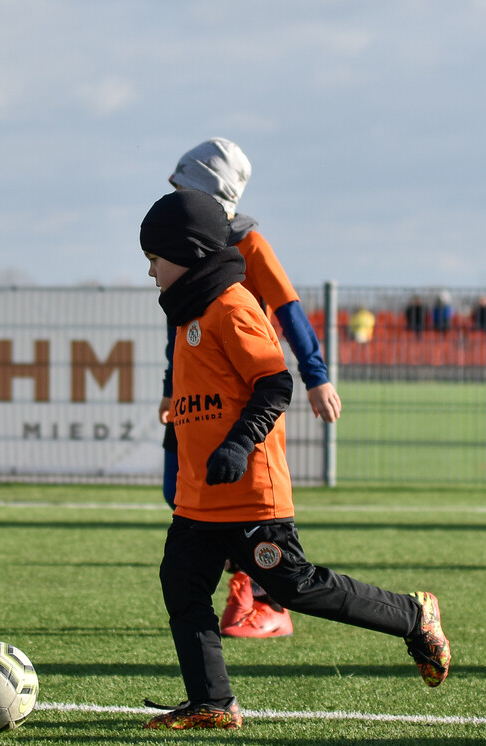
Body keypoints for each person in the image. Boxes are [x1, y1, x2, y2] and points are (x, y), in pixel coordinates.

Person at [138, 190, 450, 730]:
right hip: (199, 500)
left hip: (249, 493)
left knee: (294, 586)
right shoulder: (188, 316)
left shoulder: (232, 307)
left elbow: (274, 383)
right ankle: (213, 702)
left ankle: (414, 614)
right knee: (181, 585)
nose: (150, 273)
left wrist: (238, 444)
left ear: (186, 252)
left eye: (154, 259)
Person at [162, 138, 341, 639]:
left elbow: (290, 311)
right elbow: (177, 327)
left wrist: (316, 375)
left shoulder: (251, 246)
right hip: (194, 404)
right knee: (176, 491)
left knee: (240, 507)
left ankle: (265, 596)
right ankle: (250, 583)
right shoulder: (188, 244)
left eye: (182, 187)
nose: (174, 195)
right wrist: (168, 388)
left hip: (245, 400)